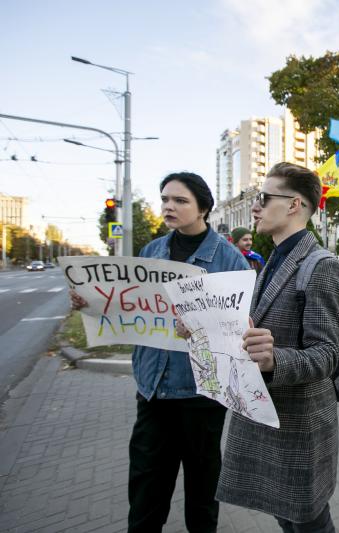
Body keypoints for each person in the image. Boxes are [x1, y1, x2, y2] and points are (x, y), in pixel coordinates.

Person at [70, 172, 249, 532]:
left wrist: (204, 325)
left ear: (203, 208)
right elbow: (131, 307)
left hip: (201, 397)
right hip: (152, 391)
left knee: (202, 495)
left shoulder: (229, 261)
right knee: (146, 494)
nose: (169, 206)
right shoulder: (152, 252)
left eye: (180, 200)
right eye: (165, 199)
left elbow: (242, 328)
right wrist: (90, 303)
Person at [216, 162, 339, 533]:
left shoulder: (321, 266)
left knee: (308, 523)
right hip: (266, 418)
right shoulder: (274, 258)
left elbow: (326, 354)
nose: (255, 207)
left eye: (264, 198)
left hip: (298, 425)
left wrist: (276, 360)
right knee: (286, 517)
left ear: (293, 205)